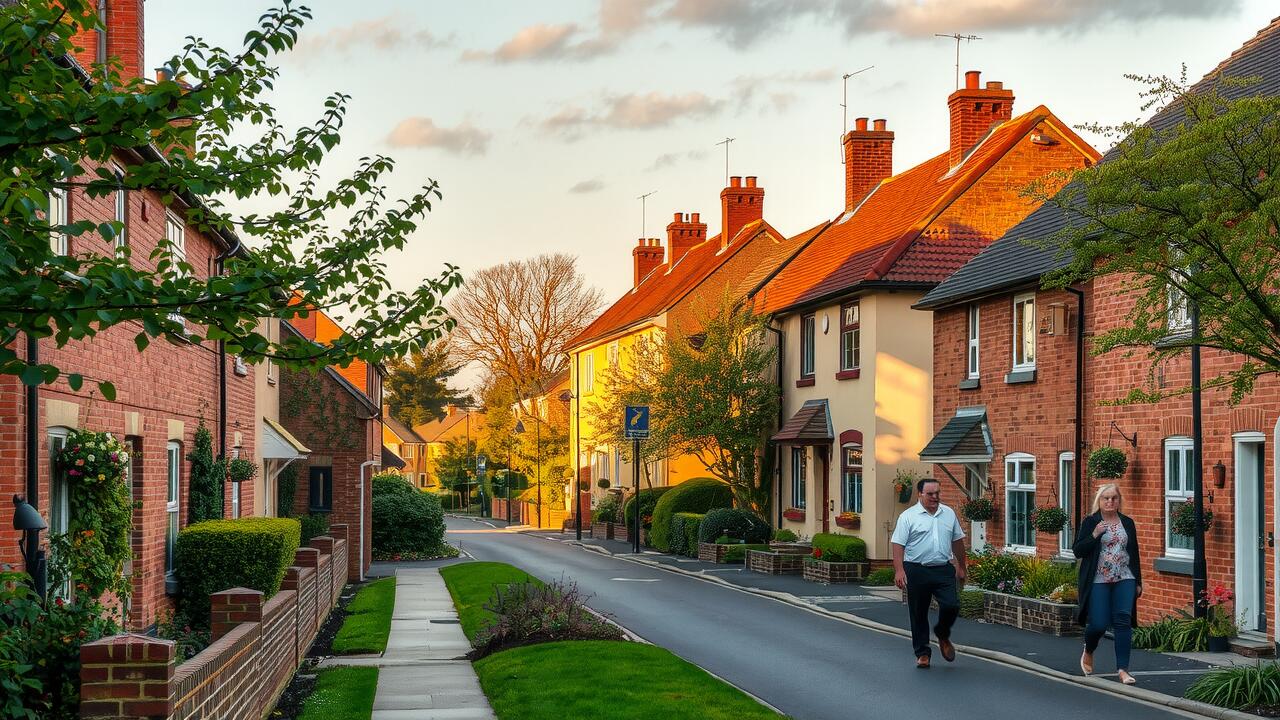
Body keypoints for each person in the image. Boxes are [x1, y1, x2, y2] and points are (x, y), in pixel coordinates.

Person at [892, 477, 966, 668]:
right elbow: (898, 544)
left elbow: (957, 542)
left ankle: (942, 634)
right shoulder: (908, 517)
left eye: (937, 493)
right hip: (916, 569)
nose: (935, 497)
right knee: (918, 612)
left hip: (943, 569)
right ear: (920, 494)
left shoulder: (948, 514)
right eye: (930, 494)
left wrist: (962, 566)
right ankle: (923, 653)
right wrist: (899, 570)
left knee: (951, 605)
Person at [1072, 483, 1142, 685]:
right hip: (1099, 579)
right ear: (1099, 501)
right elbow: (1078, 551)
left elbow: (1134, 553)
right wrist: (1094, 535)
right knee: (1099, 624)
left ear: (1119, 500)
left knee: (1123, 622)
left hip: (1124, 577)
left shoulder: (1127, 523)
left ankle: (1123, 670)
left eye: (1114, 498)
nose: (1110, 501)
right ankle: (1089, 648)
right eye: (1106, 498)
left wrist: (1138, 580)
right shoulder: (1091, 522)